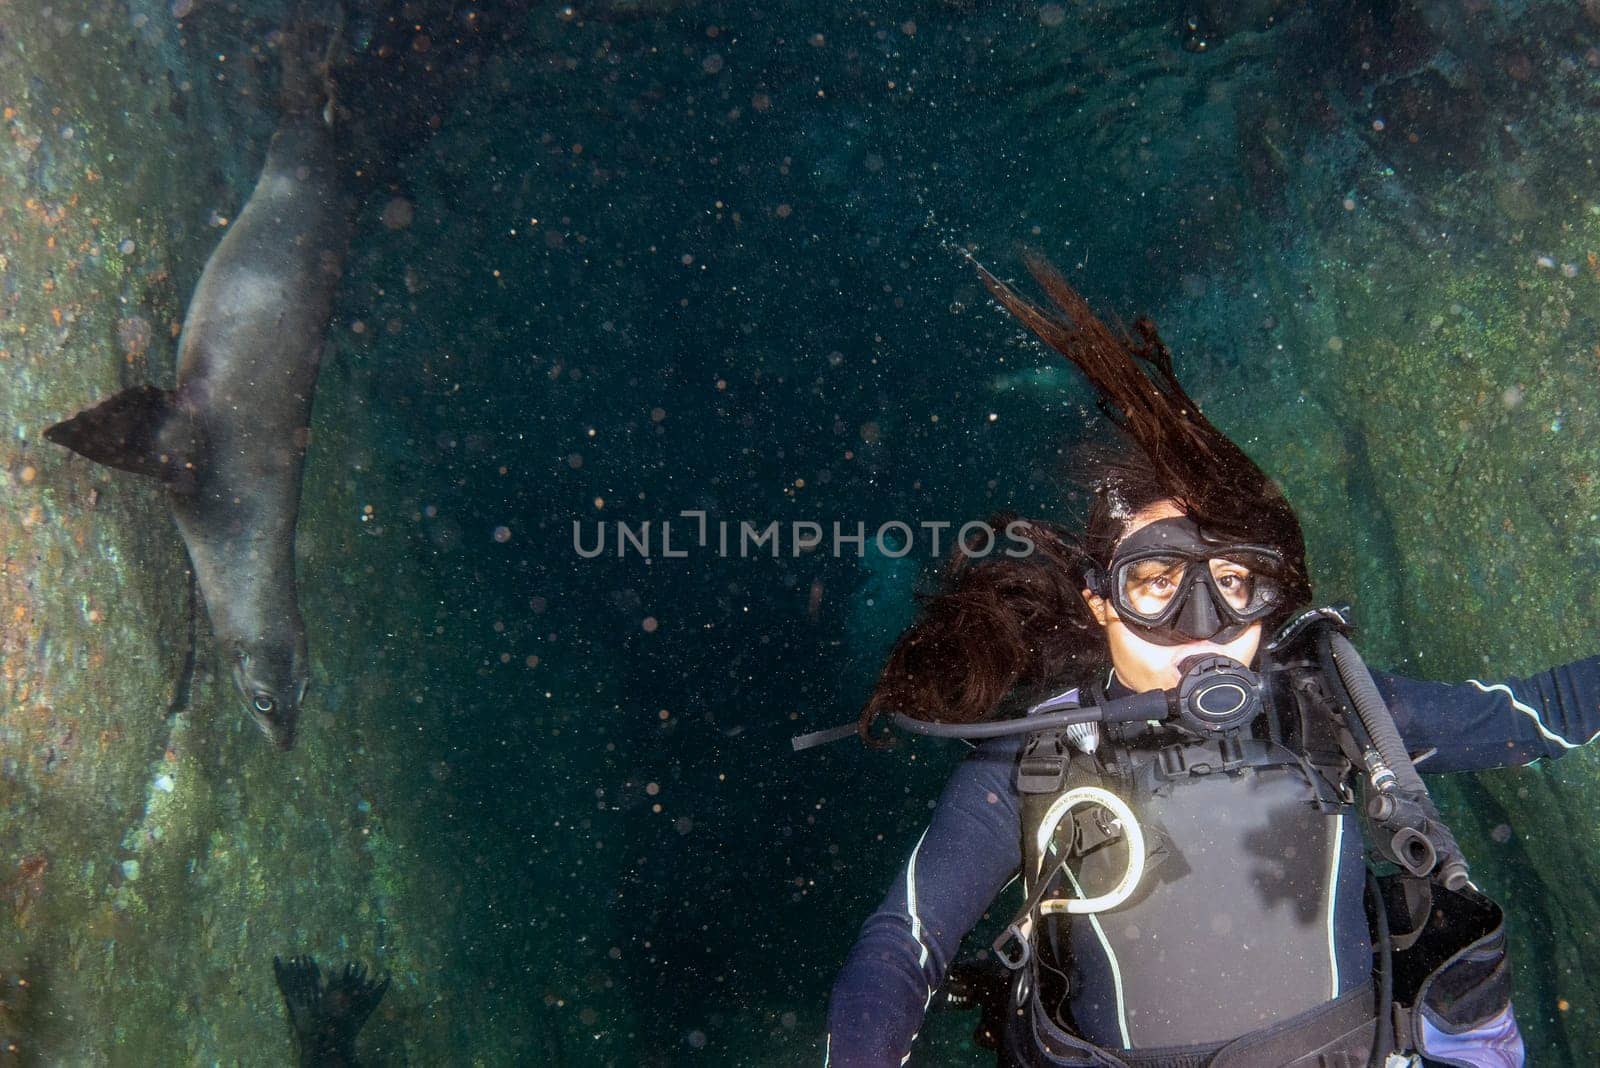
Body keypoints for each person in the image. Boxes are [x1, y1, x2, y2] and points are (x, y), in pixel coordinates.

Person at [822, 255, 1600, 1068]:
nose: (1204, 628)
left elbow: (1538, 714)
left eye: (1234, 583)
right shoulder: (1036, 760)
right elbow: (903, 944)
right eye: (1156, 585)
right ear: (1099, 601)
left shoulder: (1332, 710)